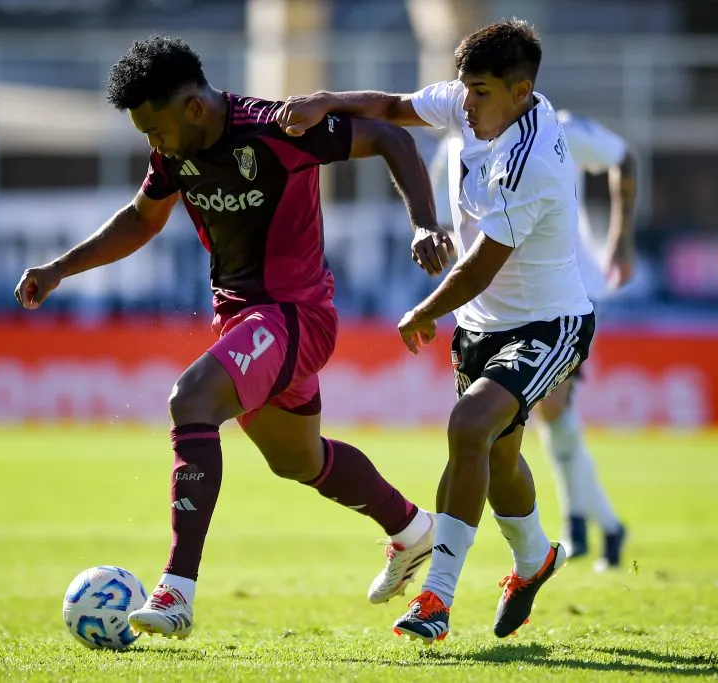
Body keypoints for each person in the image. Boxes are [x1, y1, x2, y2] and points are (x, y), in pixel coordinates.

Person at [14, 35, 448, 640]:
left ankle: (176, 590)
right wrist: (60, 268)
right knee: (298, 459)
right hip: (247, 322)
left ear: (193, 107)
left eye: (154, 128)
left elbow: (392, 137)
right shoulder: (173, 154)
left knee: (191, 400)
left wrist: (425, 222)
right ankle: (411, 529)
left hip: (295, 315)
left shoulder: (277, 130)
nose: (151, 143)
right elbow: (142, 218)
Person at [276, 18, 595, 642]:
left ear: (521, 92)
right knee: (497, 459)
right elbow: (394, 107)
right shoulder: (476, 102)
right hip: (482, 327)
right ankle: (535, 560)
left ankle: (436, 600)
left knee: (468, 427)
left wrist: (424, 312)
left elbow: (480, 265)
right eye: (464, 88)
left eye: (478, 92)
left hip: (548, 322)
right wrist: (325, 101)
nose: (464, 101)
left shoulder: (530, 160)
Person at [429, 109, 635, 570]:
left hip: (561, 299)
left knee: (551, 413)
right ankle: (598, 523)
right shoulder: (458, 141)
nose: (474, 102)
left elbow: (624, 158)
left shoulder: (554, 129)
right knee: (543, 422)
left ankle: (584, 525)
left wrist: (620, 241)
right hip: (497, 313)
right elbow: (445, 217)